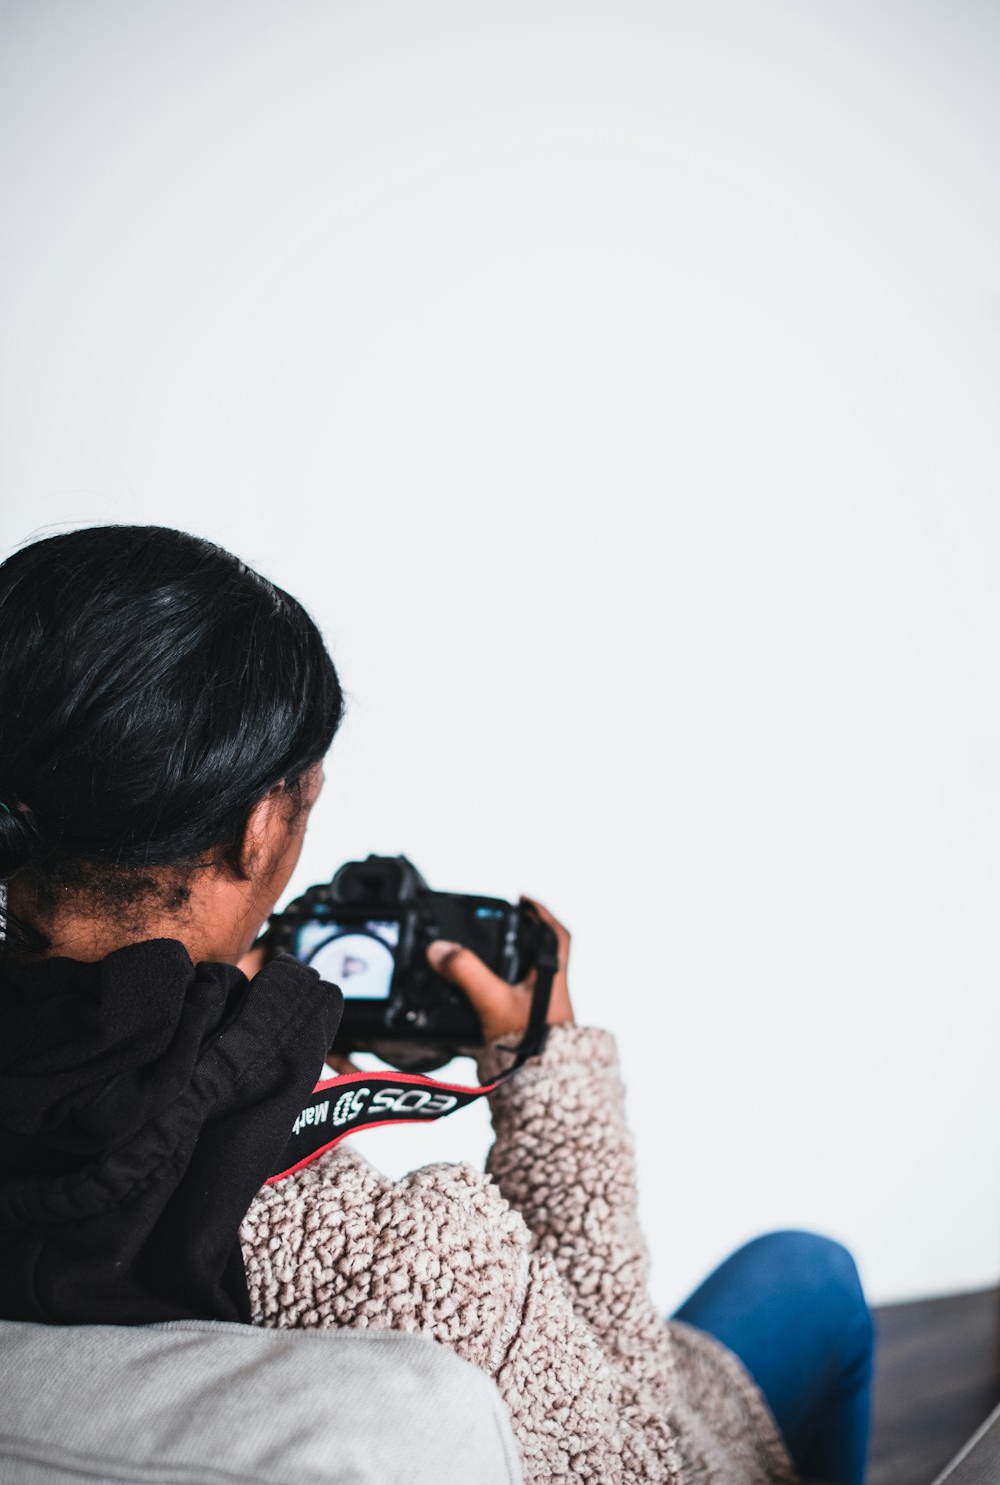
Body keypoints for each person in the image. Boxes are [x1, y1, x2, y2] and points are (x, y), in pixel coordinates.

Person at [0, 524, 873, 1484]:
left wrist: (244, 1032)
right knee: (811, 1272)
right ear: (258, 833)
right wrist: (547, 1064)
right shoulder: (398, 1256)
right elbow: (629, 1442)